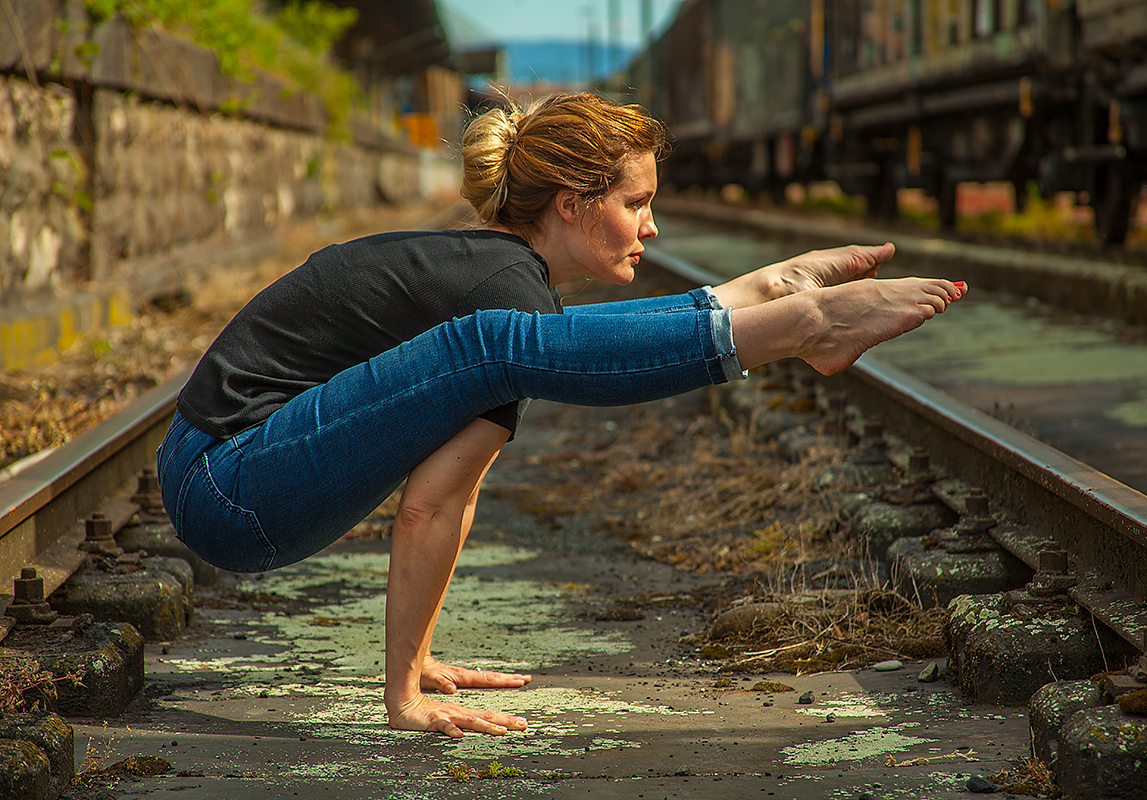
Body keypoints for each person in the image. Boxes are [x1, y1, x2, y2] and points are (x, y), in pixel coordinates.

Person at [156, 92, 965, 739]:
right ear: (573, 205)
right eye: (636, 203)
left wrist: (419, 654)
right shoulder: (500, 307)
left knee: (510, 346)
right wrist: (402, 694)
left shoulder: (504, 291)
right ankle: (790, 326)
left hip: (238, 476)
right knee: (502, 346)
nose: (653, 226)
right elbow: (429, 507)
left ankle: (766, 302)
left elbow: (449, 494)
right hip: (226, 482)